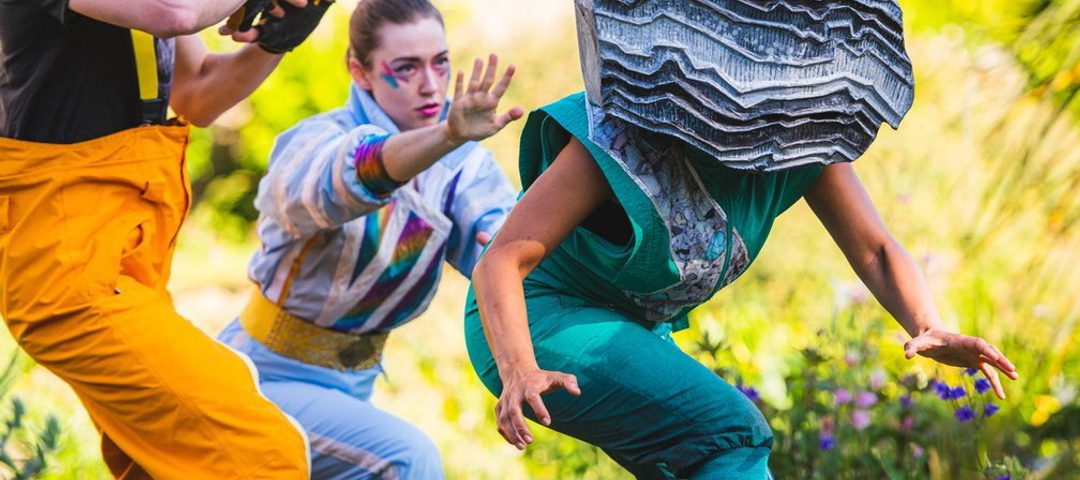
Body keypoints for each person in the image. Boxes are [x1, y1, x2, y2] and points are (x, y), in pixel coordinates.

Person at [465, 1, 1021, 478]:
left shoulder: (802, 141)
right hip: (531, 320)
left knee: (693, 460)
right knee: (731, 432)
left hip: (624, 328)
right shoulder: (621, 135)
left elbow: (875, 249)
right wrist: (520, 370)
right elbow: (502, 260)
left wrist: (927, 325)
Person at [0, 0, 332, 477]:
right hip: (67, 277)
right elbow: (175, 12)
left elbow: (198, 94)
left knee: (159, 466)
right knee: (260, 454)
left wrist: (282, 37)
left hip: (125, 260)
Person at [215, 0, 521, 478]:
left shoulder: (462, 165)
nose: (431, 84)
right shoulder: (313, 142)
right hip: (259, 377)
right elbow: (348, 176)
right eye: (407, 67)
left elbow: (507, 248)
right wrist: (444, 136)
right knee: (407, 459)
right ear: (359, 71)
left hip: (354, 388)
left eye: (439, 62)